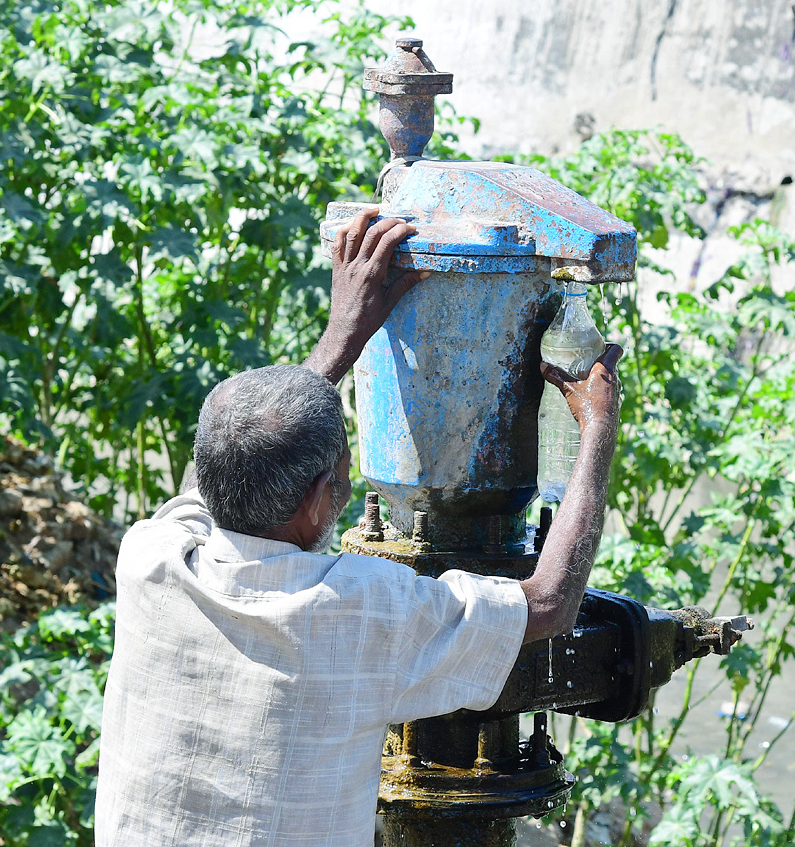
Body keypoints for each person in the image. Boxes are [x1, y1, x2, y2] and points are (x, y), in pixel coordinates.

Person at [95, 207, 623, 847]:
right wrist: (594, 429)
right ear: (322, 498)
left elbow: (203, 487)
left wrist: (342, 330)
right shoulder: (359, 610)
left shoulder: (150, 559)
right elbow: (547, 606)